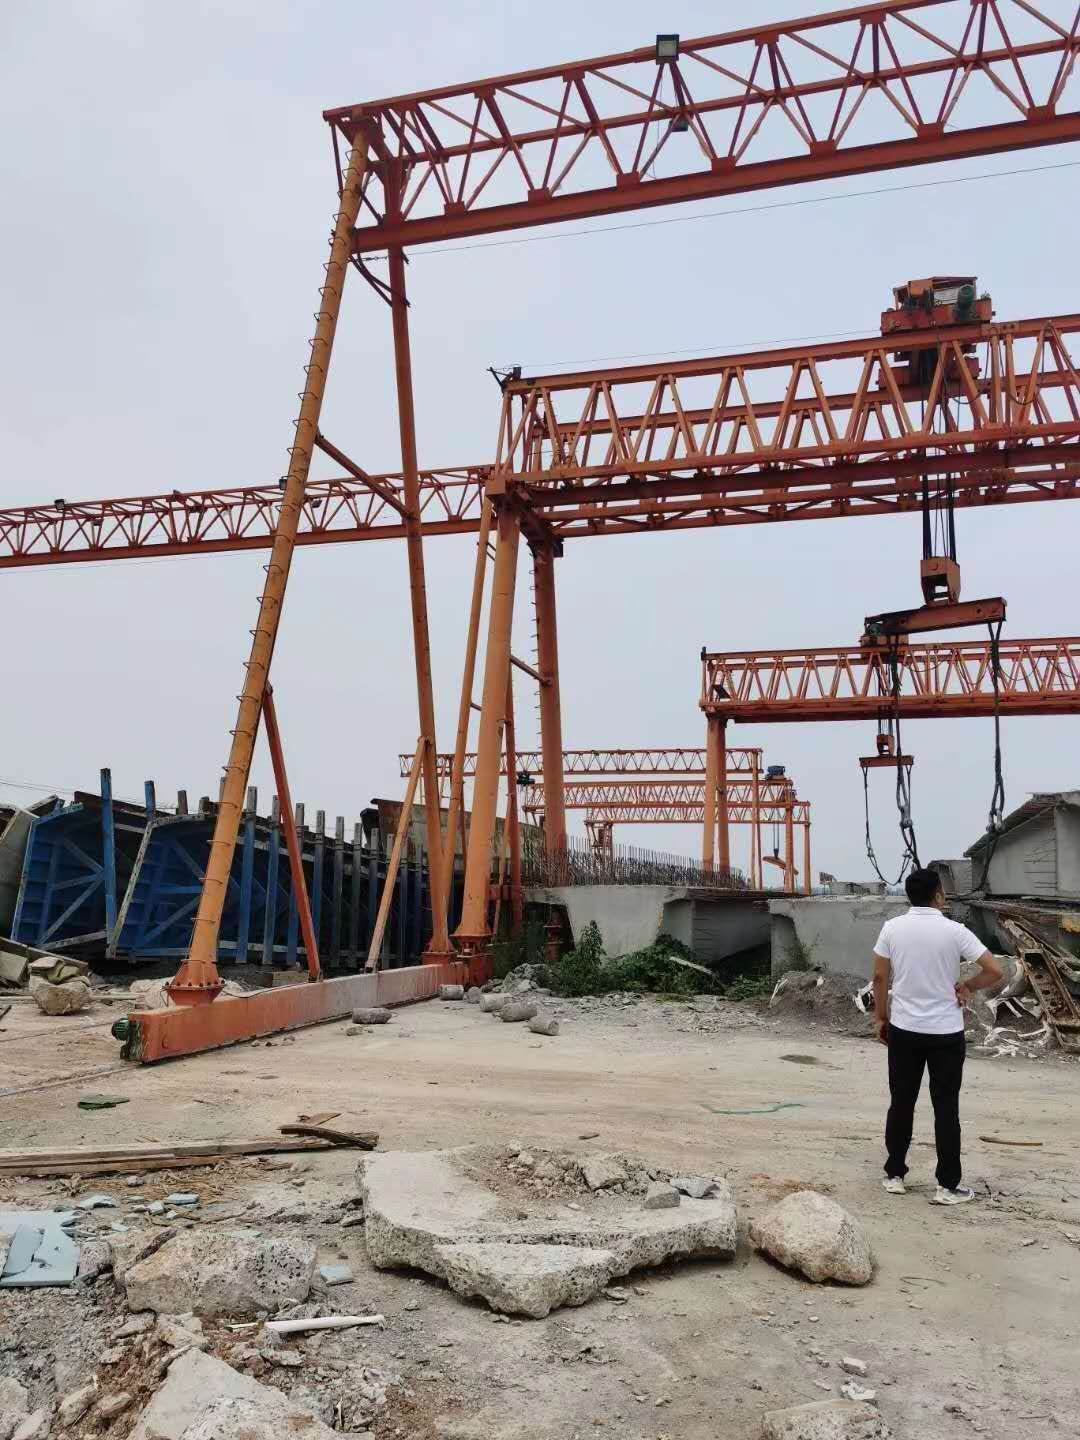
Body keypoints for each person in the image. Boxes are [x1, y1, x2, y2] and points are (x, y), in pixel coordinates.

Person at [872, 867, 1003, 1205]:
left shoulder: (892, 928)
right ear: (939, 896)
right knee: (946, 1107)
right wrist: (968, 985)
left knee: (902, 1101)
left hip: (904, 1030)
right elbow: (995, 970)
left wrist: (881, 1017)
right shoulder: (955, 931)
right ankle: (947, 1186)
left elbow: (880, 977)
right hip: (946, 1032)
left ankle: (894, 1175)